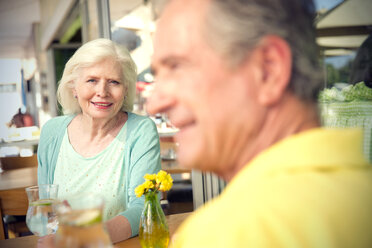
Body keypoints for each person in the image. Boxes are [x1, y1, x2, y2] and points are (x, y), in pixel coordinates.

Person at [147, 0, 372, 247]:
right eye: (157, 75)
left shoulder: (231, 232)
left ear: (268, 70)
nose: (154, 104)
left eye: (177, 67)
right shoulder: (359, 190)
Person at [37, 38, 161, 244]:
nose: (102, 92)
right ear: (73, 87)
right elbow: (45, 208)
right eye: (92, 80)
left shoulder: (141, 131)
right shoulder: (52, 131)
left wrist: (82, 238)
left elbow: (144, 209)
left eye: (114, 82)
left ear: (126, 90)